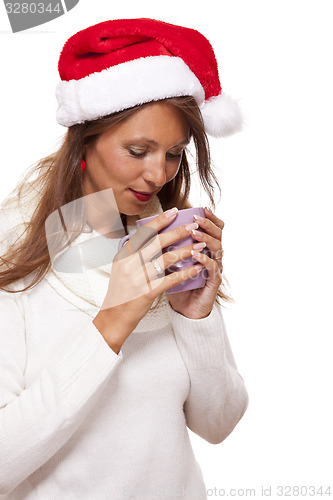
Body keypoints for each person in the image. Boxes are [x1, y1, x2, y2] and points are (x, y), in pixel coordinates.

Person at [0, 18, 248, 500]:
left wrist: (197, 318)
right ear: (84, 143)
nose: (158, 173)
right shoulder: (16, 255)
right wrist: (113, 321)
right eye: (138, 150)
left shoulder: (165, 244)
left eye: (174, 154)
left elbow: (217, 425)